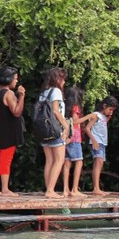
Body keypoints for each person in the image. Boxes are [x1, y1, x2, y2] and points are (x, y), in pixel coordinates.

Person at [0, 66, 24, 197]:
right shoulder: (9, 94)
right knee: (6, 159)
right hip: (9, 131)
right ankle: (5, 189)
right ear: (8, 79)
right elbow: (16, 112)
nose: (16, 82)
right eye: (15, 79)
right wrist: (22, 96)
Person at [38, 67, 71, 198]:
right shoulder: (56, 91)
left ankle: (49, 189)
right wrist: (66, 127)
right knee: (59, 160)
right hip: (55, 129)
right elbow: (56, 111)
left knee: (49, 160)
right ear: (57, 79)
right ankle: (50, 190)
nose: (64, 81)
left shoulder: (44, 92)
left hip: (44, 130)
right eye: (62, 78)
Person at [79, 96, 119, 196]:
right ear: (104, 106)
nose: (111, 112)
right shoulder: (96, 115)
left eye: (113, 110)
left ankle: (97, 187)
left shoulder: (104, 117)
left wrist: (108, 118)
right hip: (97, 142)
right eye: (110, 109)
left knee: (100, 164)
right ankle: (96, 188)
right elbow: (87, 128)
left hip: (102, 143)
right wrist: (94, 141)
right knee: (97, 164)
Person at [61, 87, 86, 198]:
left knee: (67, 163)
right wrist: (88, 117)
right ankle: (74, 189)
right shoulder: (76, 107)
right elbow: (75, 121)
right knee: (79, 161)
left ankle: (65, 189)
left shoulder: (66, 107)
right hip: (75, 136)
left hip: (67, 136)